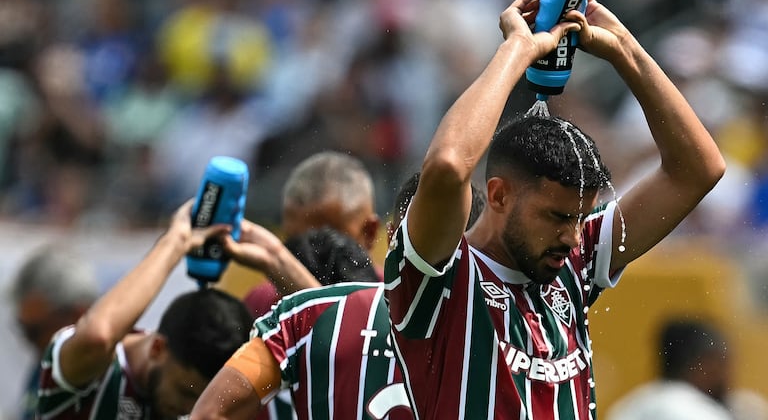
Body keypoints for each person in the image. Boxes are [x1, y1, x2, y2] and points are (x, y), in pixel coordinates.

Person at [383, 0, 725, 418]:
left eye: (581, 218)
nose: (572, 236)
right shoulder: (437, 277)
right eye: (557, 216)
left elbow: (698, 169)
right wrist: (517, 50)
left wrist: (622, 48)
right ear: (499, 194)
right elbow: (450, 164)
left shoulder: (573, 264)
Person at [189, 172, 487, 420]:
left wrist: (279, 263)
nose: (315, 247)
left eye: (334, 233)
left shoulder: (307, 315)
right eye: (296, 239)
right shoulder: (266, 305)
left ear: (382, 233)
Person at [35, 199, 320, 419]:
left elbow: (335, 336)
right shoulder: (92, 370)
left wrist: (274, 258)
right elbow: (97, 335)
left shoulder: (213, 402)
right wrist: (174, 244)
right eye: (185, 392)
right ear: (158, 348)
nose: (191, 411)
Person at [243, 150, 381, 318]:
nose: (308, 256)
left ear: (369, 233)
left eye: (327, 243)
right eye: (294, 246)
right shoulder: (260, 304)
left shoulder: (399, 303)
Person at [606, 319, 768, 420]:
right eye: (724, 364)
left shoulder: (628, 406)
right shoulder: (700, 413)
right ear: (705, 364)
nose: (729, 376)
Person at [11, 249, 99, 419]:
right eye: (22, 327)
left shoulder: (108, 379)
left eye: (34, 331)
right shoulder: (45, 365)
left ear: (78, 315)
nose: (27, 340)